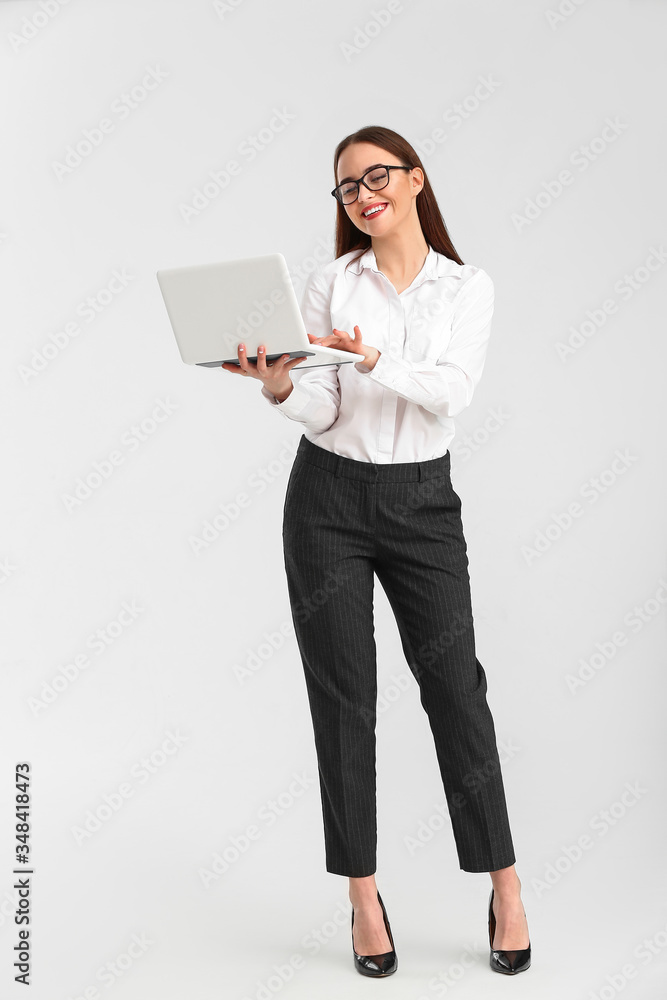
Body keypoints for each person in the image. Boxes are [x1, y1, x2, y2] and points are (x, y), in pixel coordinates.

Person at [221, 125, 531, 978]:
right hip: (325, 499)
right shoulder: (330, 283)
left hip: (420, 503)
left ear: (417, 179)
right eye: (346, 187)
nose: (362, 195)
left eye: (376, 176)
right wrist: (283, 384)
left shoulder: (466, 289)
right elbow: (323, 410)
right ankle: (362, 896)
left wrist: (374, 357)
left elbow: (449, 394)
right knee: (343, 698)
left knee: (454, 689)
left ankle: (503, 882)